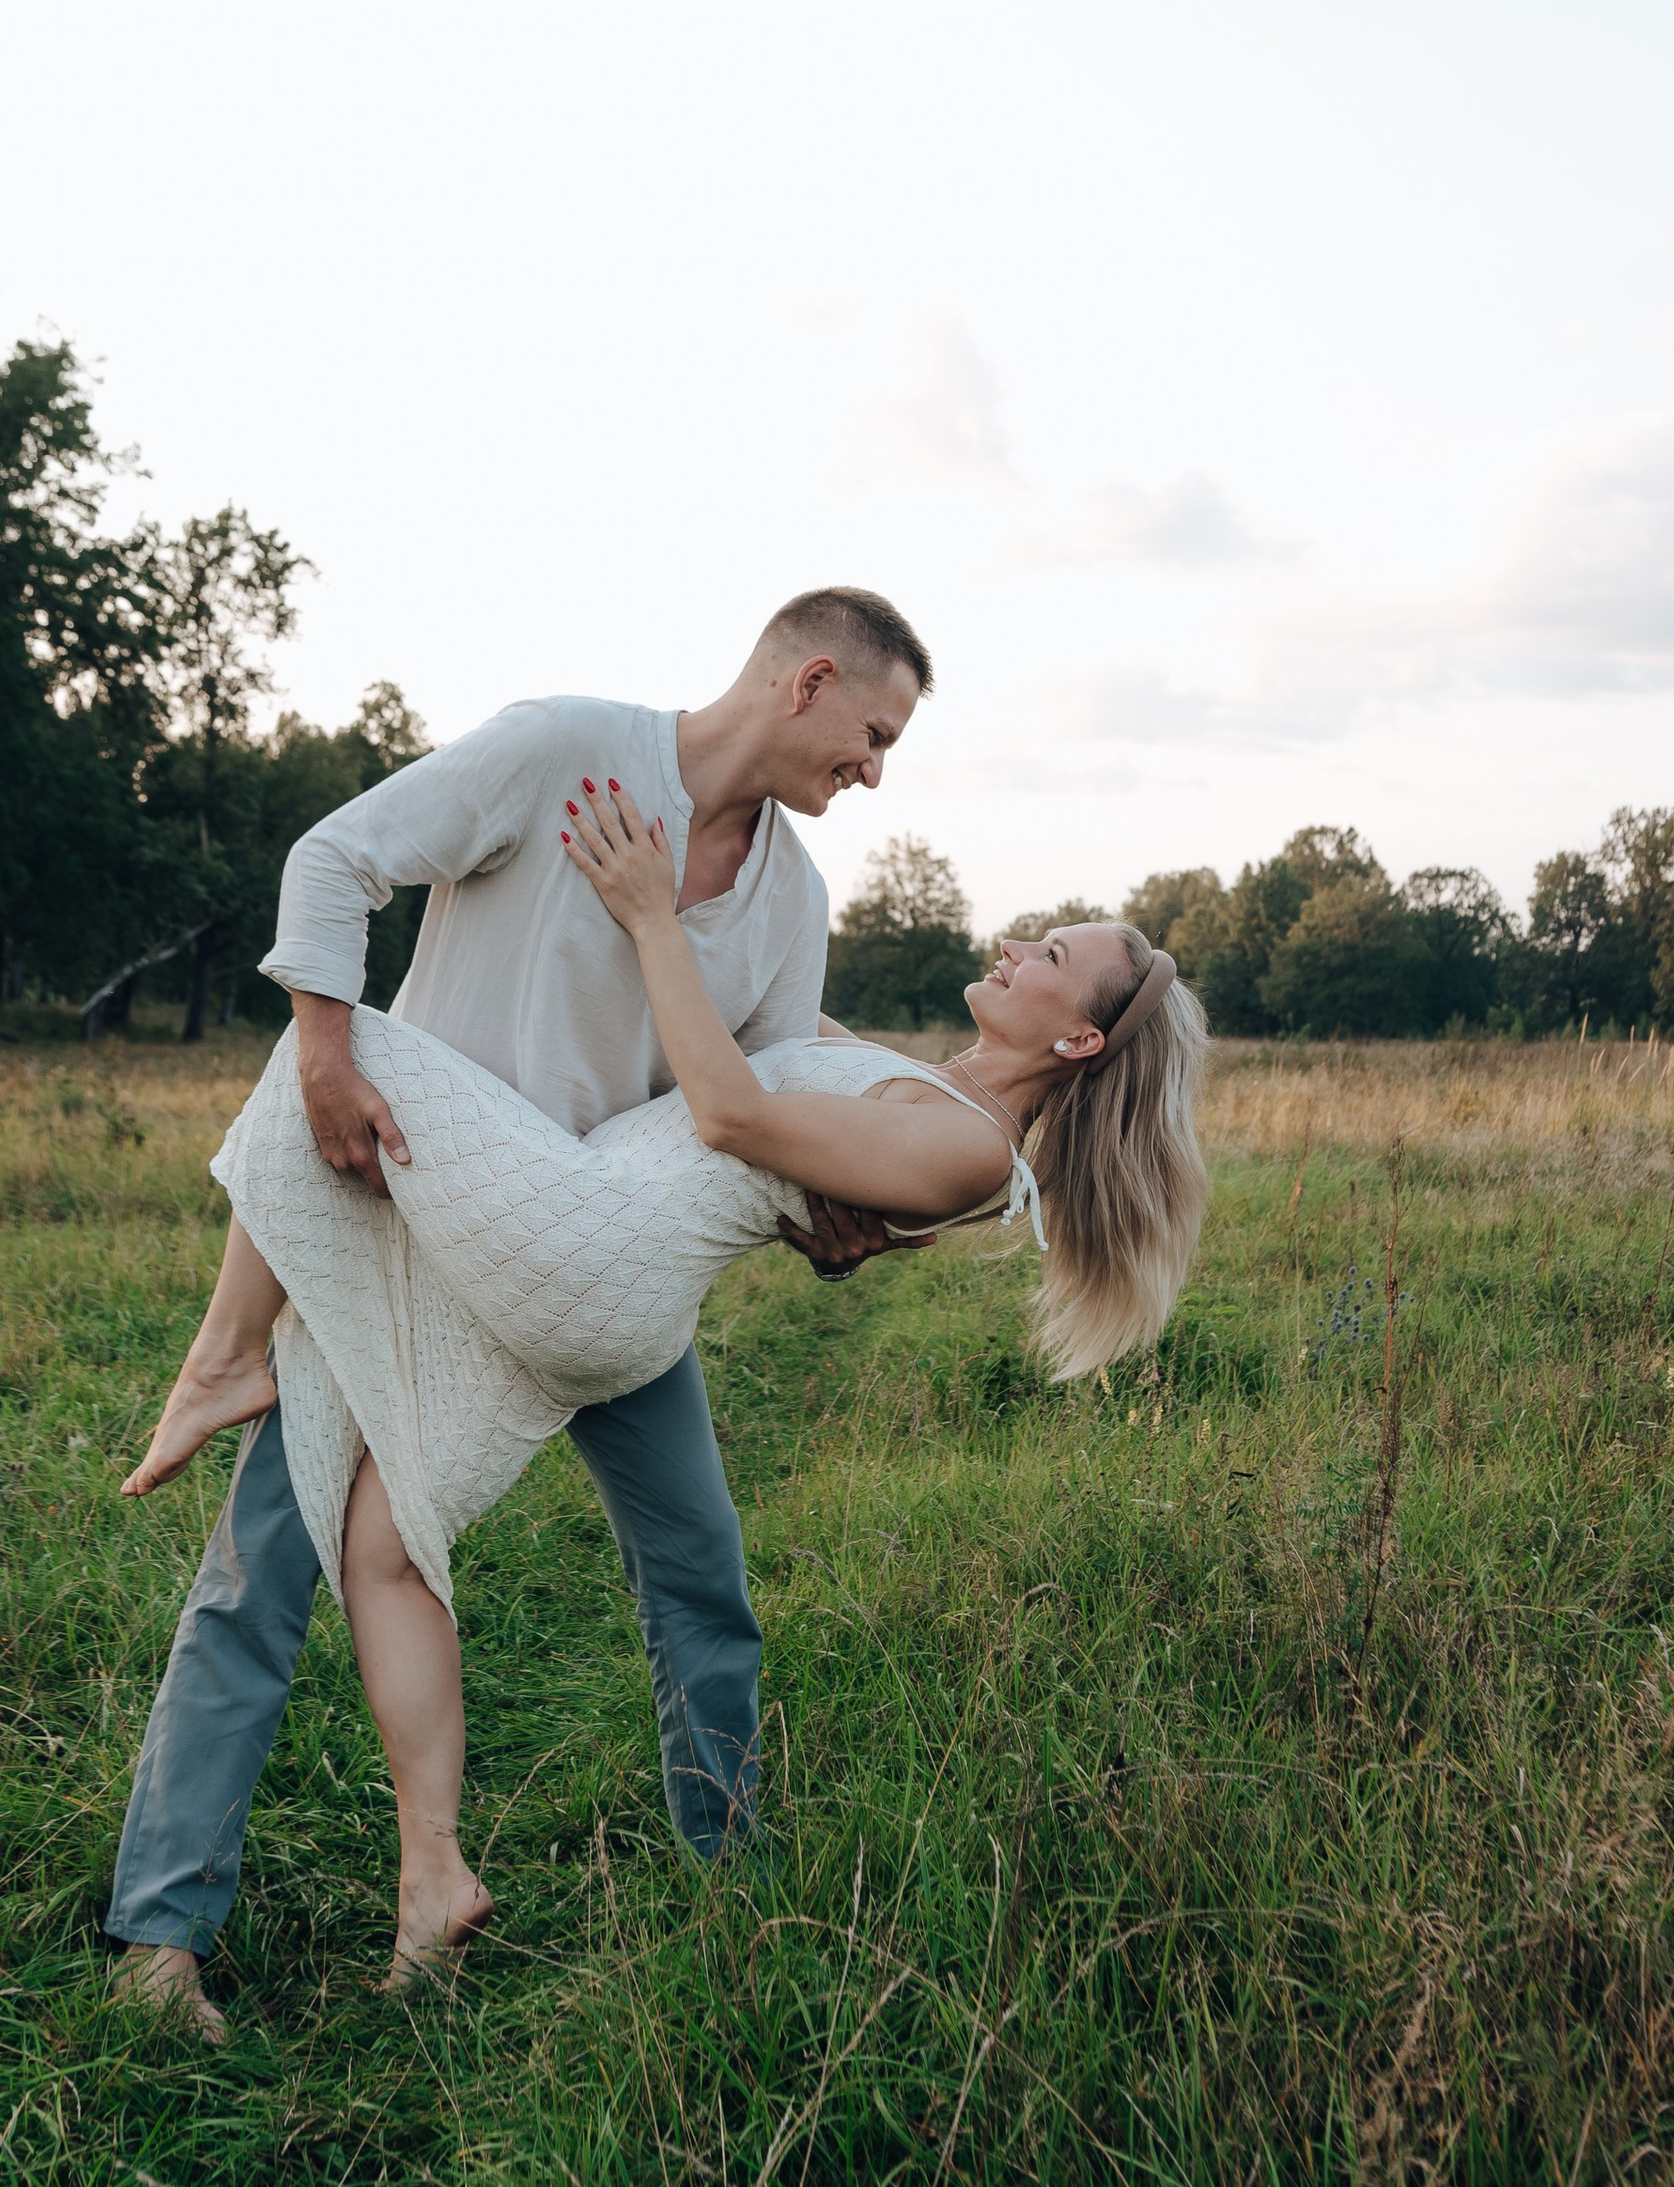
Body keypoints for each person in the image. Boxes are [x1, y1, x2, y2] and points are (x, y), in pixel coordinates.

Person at [130, 773, 1207, 1994]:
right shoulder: (927, 1083)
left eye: (1052, 951)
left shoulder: (970, 1142)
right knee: (382, 1541)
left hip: (588, 1242)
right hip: (595, 1279)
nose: (1018, 943)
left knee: (339, 1038)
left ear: (1078, 1038)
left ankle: (225, 1355)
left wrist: (651, 913)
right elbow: (780, 1063)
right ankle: (433, 1880)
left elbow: (733, 1107)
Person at [105, 588, 933, 2040]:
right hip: (408, 1234)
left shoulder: (790, 900)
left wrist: (832, 1215)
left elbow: (754, 1098)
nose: (873, 772)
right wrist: (320, 1058)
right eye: (873, 735)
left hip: (597, 1259)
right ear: (808, 681)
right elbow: (333, 857)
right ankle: (160, 1944)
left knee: (702, 1580)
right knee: (263, 1571)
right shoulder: (563, 752)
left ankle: (737, 1897)